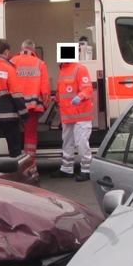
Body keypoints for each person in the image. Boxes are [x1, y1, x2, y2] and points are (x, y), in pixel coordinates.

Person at [55, 53, 95, 181]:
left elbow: (88, 88)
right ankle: (66, 169)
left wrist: (80, 97)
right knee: (67, 143)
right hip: (68, 115)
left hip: (80, 114)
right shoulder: (63, 70)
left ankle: (87, 170)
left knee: (81, 143)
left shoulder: (79, 69)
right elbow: (61, 92)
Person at [10, 40, 51, 161]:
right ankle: (30, 163)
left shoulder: (12, 62)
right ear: (33, 50)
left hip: (15, 106)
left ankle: (17, 161)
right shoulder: (40, 63)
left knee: (14, 134)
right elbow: (45, 87)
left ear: (21, 48)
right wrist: (46, 104)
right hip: (32, 107)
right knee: (31, 135)